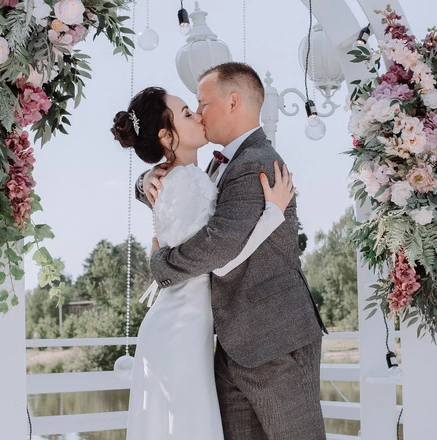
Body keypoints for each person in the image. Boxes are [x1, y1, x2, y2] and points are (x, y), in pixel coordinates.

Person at [140, 63, 328, 440]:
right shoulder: (216, 164)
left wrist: (161, 265)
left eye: (202, 103)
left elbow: (220, 243)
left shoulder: (256, 162)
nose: (198, 113)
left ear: (233, 102)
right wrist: (145, 179)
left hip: (275, 340)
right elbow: (183, 199)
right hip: (229, 345)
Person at [111, 86, 296, 440]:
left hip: (183, 325)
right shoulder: (187, 180)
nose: (197, 115)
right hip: (180, 328)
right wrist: (273, 215)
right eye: (185, 114)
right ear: (167, 136)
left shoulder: (184, 177)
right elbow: (219, 258)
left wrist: (146, 177)